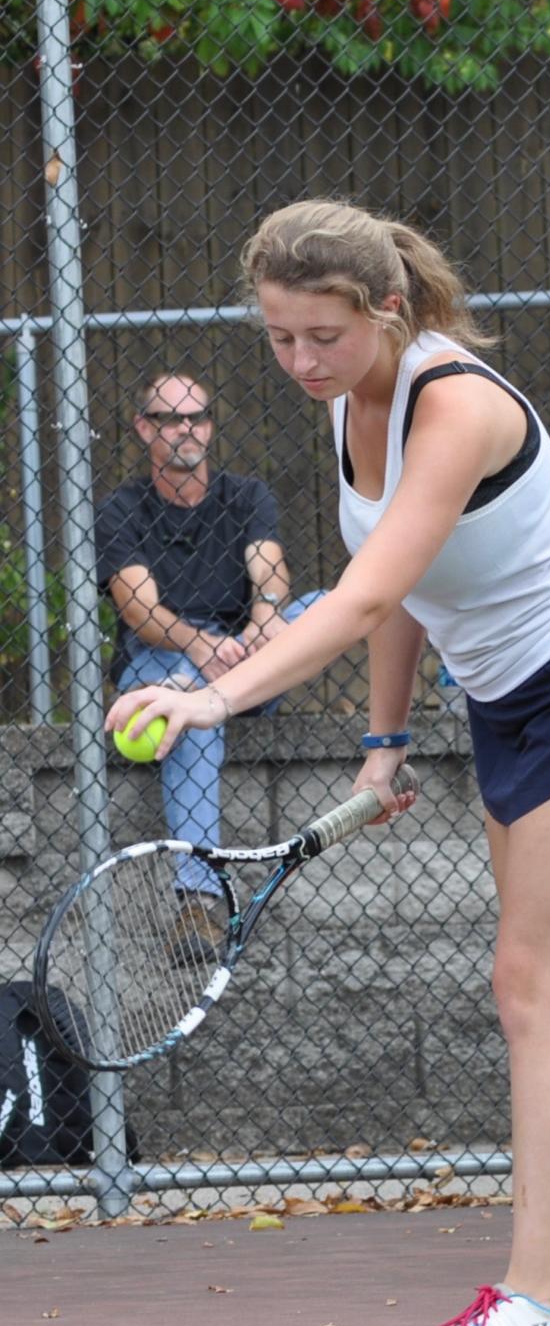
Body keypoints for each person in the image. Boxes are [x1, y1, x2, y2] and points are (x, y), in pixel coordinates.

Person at [106, 200, 550, 1326]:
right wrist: (382, 741)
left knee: (527, 988)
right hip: (505, 701)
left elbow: (365, 595)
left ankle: (539, 1307)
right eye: (278, 336)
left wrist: (213, 698)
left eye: (322, 335)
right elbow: (410, 592)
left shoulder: (457, 401)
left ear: (383, 309)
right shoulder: (345, 409)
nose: (302, 360)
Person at [95, 371, 323, 961]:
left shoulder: (246, 495)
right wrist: (199, 651)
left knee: (326, 607)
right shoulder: (121, 510)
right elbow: (139, 608)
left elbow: (268, 566)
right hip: (162, 660)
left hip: (245, 656)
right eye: (171, 420)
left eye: (197, 417)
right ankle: (197, 906)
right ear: (145, 429)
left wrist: (264, 619)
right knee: (189, 717)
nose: (186, 430)